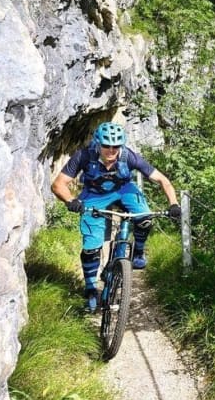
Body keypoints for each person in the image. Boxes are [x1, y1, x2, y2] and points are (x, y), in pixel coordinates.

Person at [51, 121, 181, 311]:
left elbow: (162, 180)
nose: (111, 150)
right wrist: (71, 200)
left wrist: (174, 204)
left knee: (144, 218)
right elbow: (58, 184)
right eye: (106, 145)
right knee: (91, 247)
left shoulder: (129, 157)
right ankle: (90, 289)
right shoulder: (84, 156)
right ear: (98, 143)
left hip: (124, 190)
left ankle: (138, 252)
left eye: (116, 146)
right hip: (94, 195)